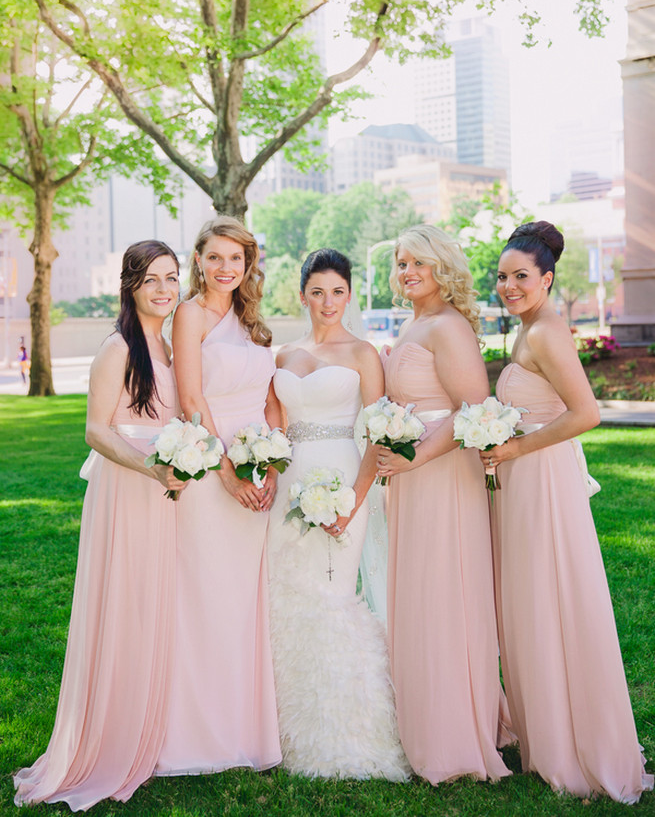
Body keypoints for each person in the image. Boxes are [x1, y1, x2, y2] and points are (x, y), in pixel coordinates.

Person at [480, 220, 653, 802]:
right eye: (502, 277)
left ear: (547, 278)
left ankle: (574, 743)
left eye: (521, 277)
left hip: (541, 477)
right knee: (531, 602)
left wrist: (515, 448)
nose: (509, 286)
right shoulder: (526, 330)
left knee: (550, 598)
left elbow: (587, 414)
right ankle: (545, 734)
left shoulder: (547, 333)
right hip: (523, 476)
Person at [14, 241, 188, 810]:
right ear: (131, 285)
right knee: (124, 604)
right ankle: (107, 737)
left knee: (154, 606)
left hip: (162, 487)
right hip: (127, 487)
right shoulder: (118, 347)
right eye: (151, 279)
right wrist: (152, 468)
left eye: (171, 277)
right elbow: (96, 430)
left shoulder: (166, 344)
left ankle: (150, 725)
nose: (164, 288)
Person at [267, 248, 409, 780]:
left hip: (347, 483)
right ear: (302, 293)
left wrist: (353, 501)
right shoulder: (283, 354)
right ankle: (287, 728)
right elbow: (278, 430)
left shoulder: (363, 353)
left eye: (339, 292)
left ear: (350, 294)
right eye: (318, 291)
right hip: (291, 488)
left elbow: (379, 432)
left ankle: (355, 731)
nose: (329, 302)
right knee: (288, 597)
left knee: (335, 597)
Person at [377, 225, 511, 785]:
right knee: (418, 594)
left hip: (439, 474)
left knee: (444, 593)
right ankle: (426, 714)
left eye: (419, 264)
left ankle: (455, 735)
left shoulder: (449, 327)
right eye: (402, 263)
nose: (408, 272)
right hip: (410, 476)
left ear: (442, 268)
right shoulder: (415, 322)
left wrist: (414, 458)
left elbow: (473, 412)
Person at [156, 216, 281, 776]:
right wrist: (227, 473)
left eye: (237, 259)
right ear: (199, 261)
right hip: (211, 466)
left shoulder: (252, 321)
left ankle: (243, 729)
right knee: (205, 597)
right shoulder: (190, 314)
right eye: (215, 258)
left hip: (257, 466)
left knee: (245, 602)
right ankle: (196, 735)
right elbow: (190, 398)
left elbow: (270, 396)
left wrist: (272, 461)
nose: (226, 268)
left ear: (248, 264)